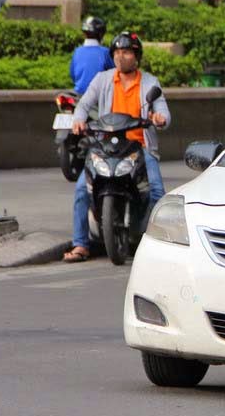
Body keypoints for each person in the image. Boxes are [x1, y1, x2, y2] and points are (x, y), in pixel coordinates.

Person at [63, 32, 171, 263]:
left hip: (140, 146)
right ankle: (81, 244)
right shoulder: (103, 79)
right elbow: (84, 104)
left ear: (137, 56)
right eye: (117, 53)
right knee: (83, 189)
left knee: (156, 192)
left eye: (127, 52)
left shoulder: (150, 82)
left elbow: (163, 111)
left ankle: (152, 243)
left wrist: (160, 117)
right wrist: (78, 120)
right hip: (105, 146)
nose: (121, 57)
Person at [70, 16, 114, 96]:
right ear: (101, 34)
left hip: (79, 94)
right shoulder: (105, 52)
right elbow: (115, 73)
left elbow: (73, 75)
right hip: (99, 96)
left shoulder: (77, 51)